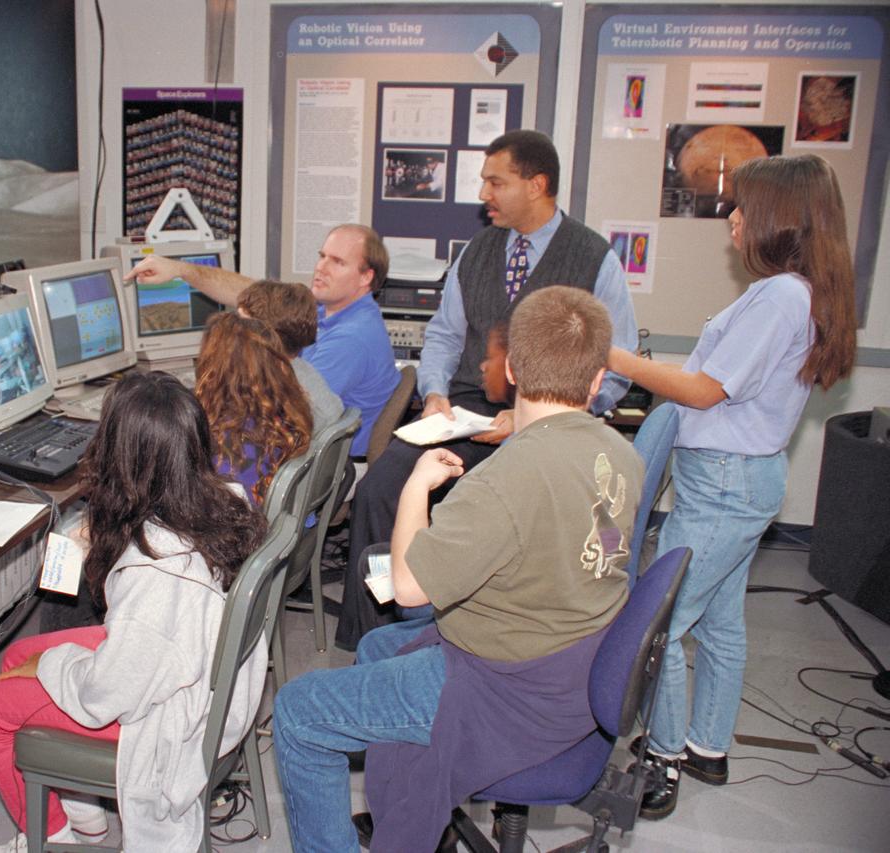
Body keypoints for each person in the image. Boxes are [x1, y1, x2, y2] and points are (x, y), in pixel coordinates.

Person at [273, 286, 640, 853]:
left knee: (298, 711)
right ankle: (408, 803)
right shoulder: (622, 455)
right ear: (596, 381)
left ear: (512, 370)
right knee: (377, 648)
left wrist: (417, 486)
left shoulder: (501, 481)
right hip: (571, 666)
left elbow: (407, 589)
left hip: (504, 689)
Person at [613, 154, 857, 819]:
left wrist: (615, 356)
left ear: (780, 217)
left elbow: (703, 390)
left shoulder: (781, 297)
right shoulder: (790, 292)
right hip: (736, 480)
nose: (733, 218)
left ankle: (661, 757)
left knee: (660, 623)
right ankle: (707, 745)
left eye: (744, 206)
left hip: (725, 484)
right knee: (719, 620)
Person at [336, 129, 639, 650]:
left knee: (499, 509)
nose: (483, 194)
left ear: (536, 185)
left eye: (496, 183)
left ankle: (458, 630)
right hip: (470, 408)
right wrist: (434, 394)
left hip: (554, 417)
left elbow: (616, 364)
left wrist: (544, 415)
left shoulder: (593, 257)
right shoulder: (478, 251)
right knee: (379, 489)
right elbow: (444, 335)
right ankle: (377, 643)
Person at [0, 372, 270, 852]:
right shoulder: (224, 499)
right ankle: (82, 811)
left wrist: (57, 665)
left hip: (168, 716)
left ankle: (54, 836)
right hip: (193, 666)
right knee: (20, 655)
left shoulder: (156, 572)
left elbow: (107, 696)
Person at [126, 223, 400, 456]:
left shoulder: (352, 338)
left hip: (321, 467)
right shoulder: (330, 309)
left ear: (366, 277)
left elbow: (295, 411)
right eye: (322, 256)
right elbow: (251, 296)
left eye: (337, 262)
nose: (321, 268)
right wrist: (180, 270)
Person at [194, 312, 313, 505]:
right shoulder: (285, 414)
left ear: (214, 366)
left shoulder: (227, 445)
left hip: (242, 519)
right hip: (278, 515)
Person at [236, 278, 344, 432]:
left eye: (241, 324)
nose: (232, 331)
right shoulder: (300, 370)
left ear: (267, 338)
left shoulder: (274, 393)